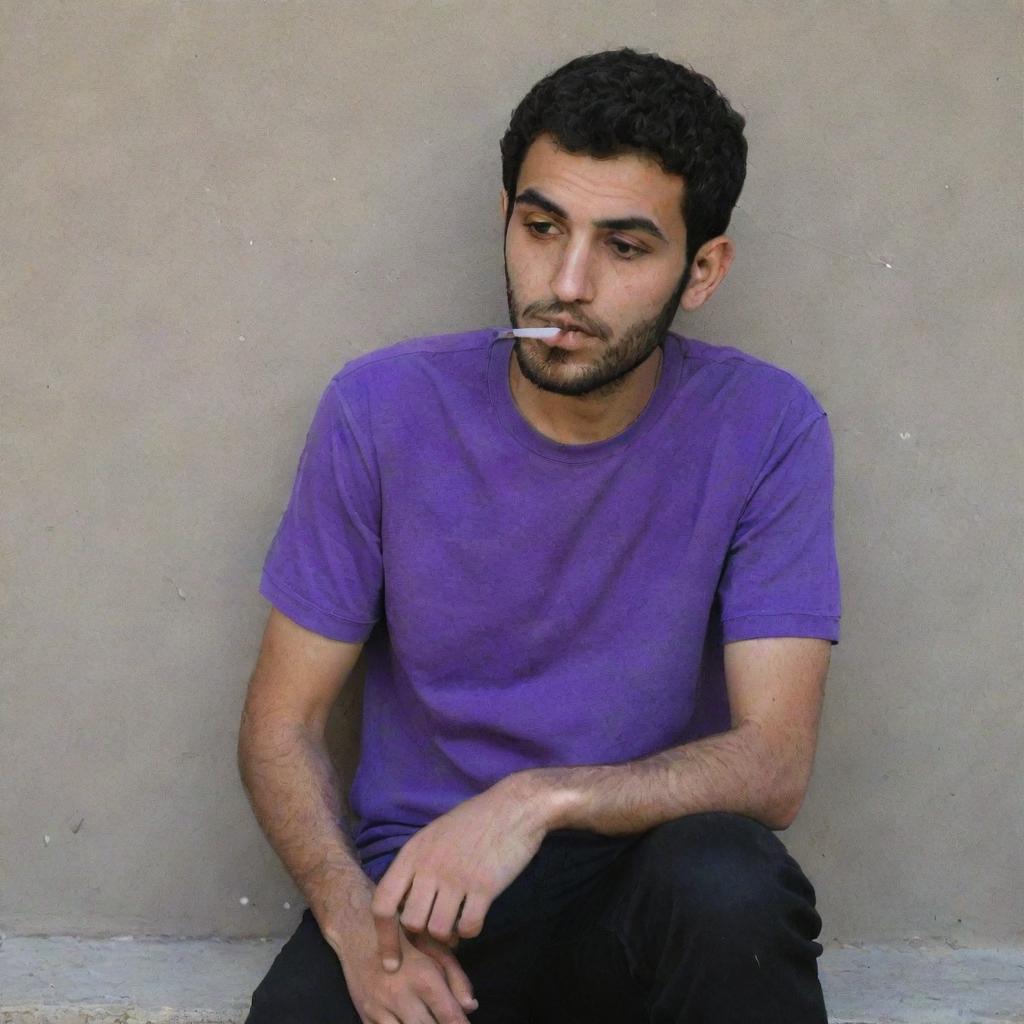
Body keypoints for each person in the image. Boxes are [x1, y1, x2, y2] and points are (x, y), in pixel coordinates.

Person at [239, 47, 841, 1024]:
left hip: (645, 887)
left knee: (728, 882)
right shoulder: (380, 410)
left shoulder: (766, 426)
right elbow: (282, 723)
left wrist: (531, 800)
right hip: (423, 898)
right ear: (506, 220)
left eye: (625, 246)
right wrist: (354, 922)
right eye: (541, 226)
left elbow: (772, 764)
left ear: (702, 270)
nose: (566, 282)